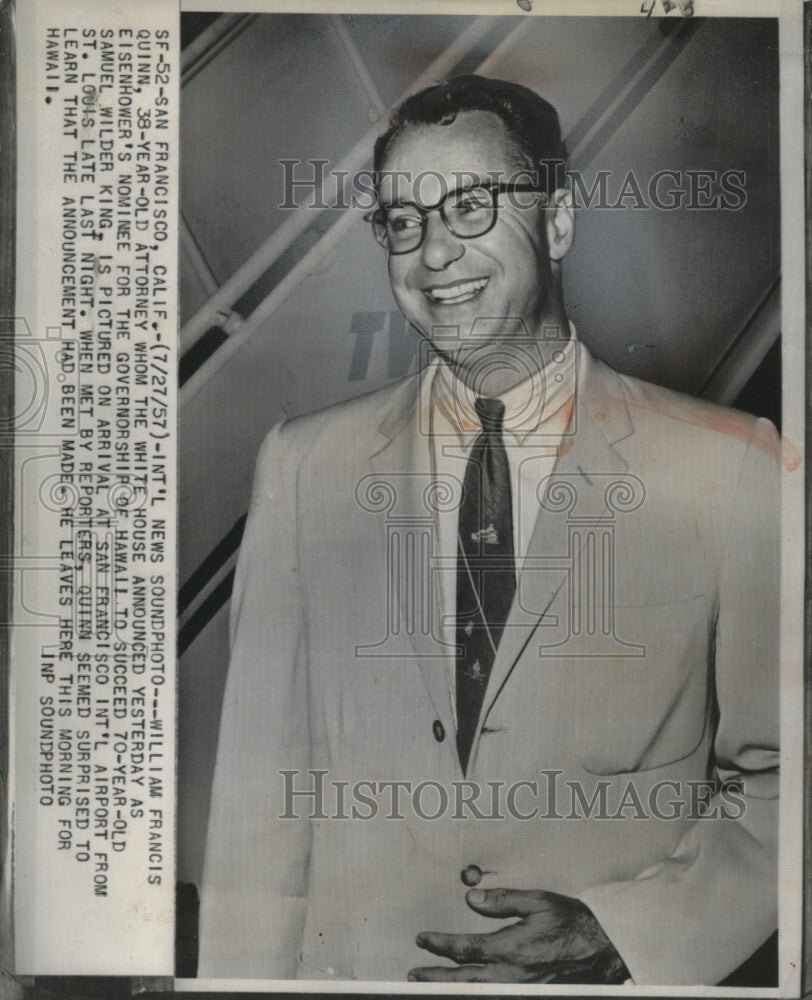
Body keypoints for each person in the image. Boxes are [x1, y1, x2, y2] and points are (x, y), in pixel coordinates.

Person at [198, 75, 779, 985]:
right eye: (401, 220)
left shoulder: (731, 466)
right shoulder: (302, 467)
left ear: (555, 222)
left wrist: (630, 932)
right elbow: (254, 815)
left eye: (470, 208)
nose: (434, 253)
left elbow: (785, 781)